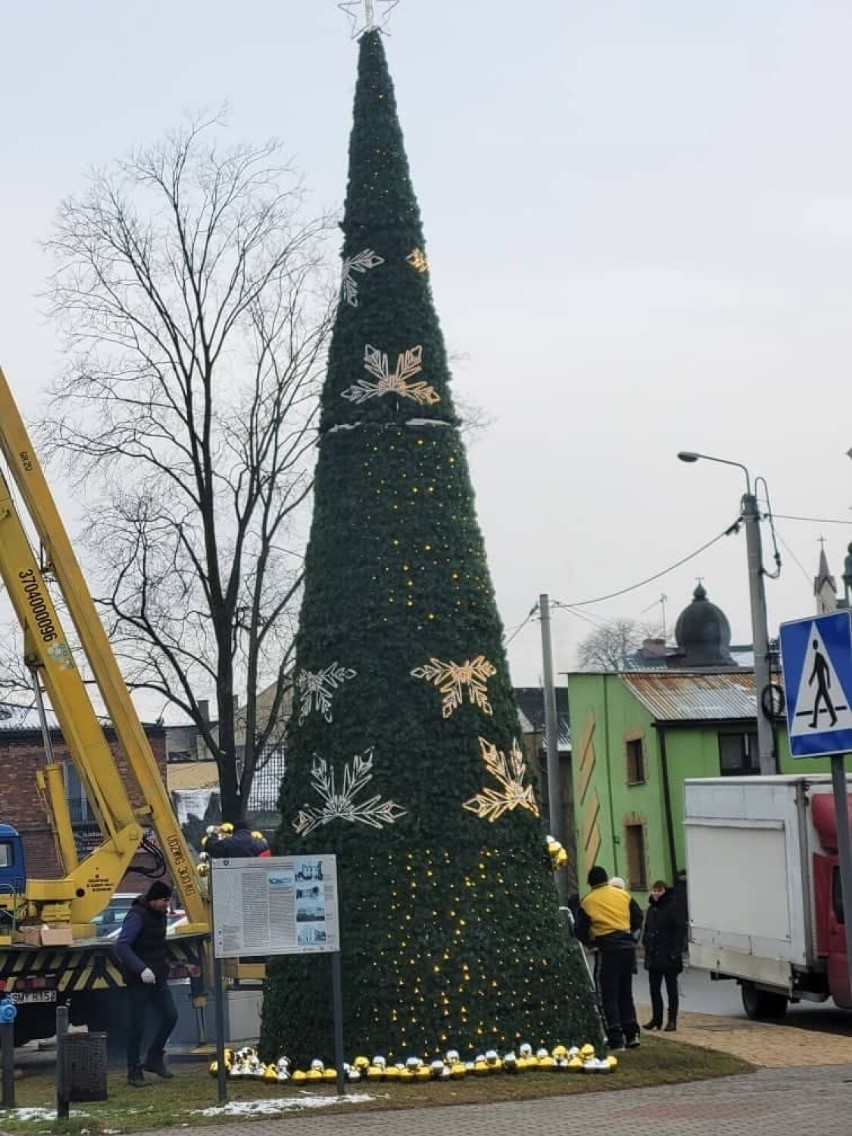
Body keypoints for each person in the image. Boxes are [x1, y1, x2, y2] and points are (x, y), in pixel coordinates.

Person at [116, 880, 179, 1087]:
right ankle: (134, 1071)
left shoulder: (160, 916)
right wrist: (141, 969)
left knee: (171, 1016)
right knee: (137, 1025)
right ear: (153, 899)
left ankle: (153, 1058)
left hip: (158, 977)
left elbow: (158, 945)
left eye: (168, 900)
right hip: (139, 979)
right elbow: (123, 945)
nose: (166, 904)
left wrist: (177, 964)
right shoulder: (137, 915)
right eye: (163, 900)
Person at [575, 866, 643, 1051]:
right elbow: (638, 916)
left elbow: (579, 929)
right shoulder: (623, 895)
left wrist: (591, 943)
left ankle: (615, 1037)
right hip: (627, 948)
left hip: (607, 948)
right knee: (625, 993)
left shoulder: (588, 901)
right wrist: (633, 937)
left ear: (590, 882)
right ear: (606, 878)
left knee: (606, 995)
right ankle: (632, 1034)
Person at [642, 879, 687, 1032]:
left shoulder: (672, 907)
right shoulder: (651, 909)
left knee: (671, 990)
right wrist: (646, 943)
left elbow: (679, 931)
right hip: (654, 956)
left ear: (665, 891)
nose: (656, 894)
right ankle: (656, 1018)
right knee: (654, 990)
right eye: (654, 891)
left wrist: (675, 952)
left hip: (669, 956)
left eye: (659, 891)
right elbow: (648, 929)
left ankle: (672, 1020)